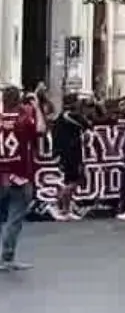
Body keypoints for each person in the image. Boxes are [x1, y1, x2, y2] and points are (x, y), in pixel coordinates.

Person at [0, 86, 46, 270]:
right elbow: (41, 129)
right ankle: (7, 257)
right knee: (14, 218)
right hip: (19, 175)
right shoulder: (23, 120)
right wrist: (36, 107)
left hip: (1, 173)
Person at [51, 93, 92, 221]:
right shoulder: (69, 115)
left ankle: (65, 209)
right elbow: (88, 124)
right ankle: (58, 206)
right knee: (73, 180)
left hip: (67, 151)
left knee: (70, 180)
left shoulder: (61, 116)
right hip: (70, 151)